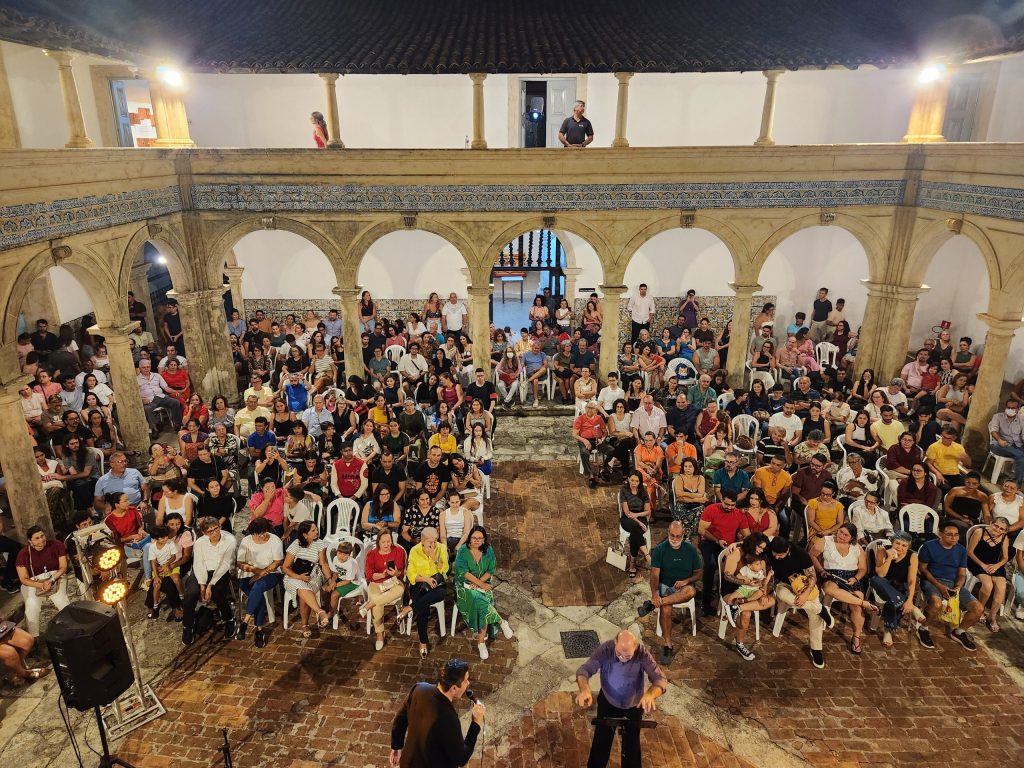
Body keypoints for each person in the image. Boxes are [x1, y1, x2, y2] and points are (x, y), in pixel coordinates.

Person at [575, 629, 667, 768]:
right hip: (608, 702)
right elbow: (584, 670)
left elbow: (660, 679)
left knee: (632, 744)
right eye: (618, 654)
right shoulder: (606, 649)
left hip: (633, 705)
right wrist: (584, 689)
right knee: (601, 741)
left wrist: (650, 694)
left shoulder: (642, 653)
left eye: (627, 656)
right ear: (615, 643)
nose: (622, 658)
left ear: (635, 648)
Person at [389, 659, 484, 768]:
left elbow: (400, 719)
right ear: (453, 688)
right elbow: (461, 758)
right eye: (466, 680)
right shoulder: (449, 719)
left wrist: (396, 747)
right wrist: (475, 723)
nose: (468, 683)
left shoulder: (419, 688)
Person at [637, 521, 702, 665]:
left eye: (678, 536)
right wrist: (654, 593)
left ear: (683, 535)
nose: (675, 539)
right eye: (672, 535)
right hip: (665, 586)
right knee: (666, 610)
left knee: (691, 590)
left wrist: (686, 580)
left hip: (683, 588)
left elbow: (698, 574)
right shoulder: (660, 549)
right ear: (668, 532)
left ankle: (652, 605)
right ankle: (668, 645)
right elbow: (654, 575)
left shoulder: (690, 550)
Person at [808, 522, 879, 654]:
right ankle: (864, 603)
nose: (841, 536)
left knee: (856, 607)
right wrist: (821, 569)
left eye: (845, 535)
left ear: (852, 538)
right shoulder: (826, 541)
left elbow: (863, 568)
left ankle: (856, 638)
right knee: (830, 590)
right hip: (831, 574)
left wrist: (856, 578)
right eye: (840, 532)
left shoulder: (857, 547)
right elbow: (812, 555)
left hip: (852, 577)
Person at [918, 520, 985, 651]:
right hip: (932, 581)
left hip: (953, 584)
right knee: (937, 604)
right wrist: (940, 586)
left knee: (978, 609)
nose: (954, 537)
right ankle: (923, 628)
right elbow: (923, 570)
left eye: (956, 535)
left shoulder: (961, 550)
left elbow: (961, 573)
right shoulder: (929, 546)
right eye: (949, 534)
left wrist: (957, 588)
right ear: (940, 534)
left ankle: (959, 632)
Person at [768, 536, 833, 668]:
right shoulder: (770, 550)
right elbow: (752, 543)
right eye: (774, 555)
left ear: (787, 550)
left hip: (804, 585)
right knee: (782, 595)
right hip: (784, 585)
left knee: (814, 617)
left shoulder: (800, 554)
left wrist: (806, 593)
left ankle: (816, 649)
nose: (776, 558)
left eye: (780, 555)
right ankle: (820, 609)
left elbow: (812, 576)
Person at [453, 525, 513, 660]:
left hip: (482, 583)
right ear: (469, 539)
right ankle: (501, 621)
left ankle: (481, 642)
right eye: (474, 538)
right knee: (479, 600)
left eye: (480, 538)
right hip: (463, 586)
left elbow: (491, 570)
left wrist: (479, 583)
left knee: (480, 604)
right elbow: (463, 572)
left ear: (484, 540)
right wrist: (480, 585)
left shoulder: (488, 550)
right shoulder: (463, 550)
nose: (476, 540)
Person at [181, 516, 238, 646]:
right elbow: (198, 563)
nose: (214, 533)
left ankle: (228, 618)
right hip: (201, 570)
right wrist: (202, 585)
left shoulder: (230, 541)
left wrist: (210, 585)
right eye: (210, 531)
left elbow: (225, 564)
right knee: (191, 594)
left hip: (220, 571)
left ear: (220, 527)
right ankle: (187, 626)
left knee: (217, 593)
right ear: (205, 533)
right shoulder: (200, 542)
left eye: (216, 528)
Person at [719, 533, 775, 660]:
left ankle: (737, 607)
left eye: (763, 548)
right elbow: (727, 576)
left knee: (771, 601)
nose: (761, 550)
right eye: (759, 547)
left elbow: (764, 580)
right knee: (747, 613)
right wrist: (745, 582)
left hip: (753, 591)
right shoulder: (737, 552)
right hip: (733, 589)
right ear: (752, 543)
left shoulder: (761, 559)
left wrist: (764, 593)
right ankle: (740, 644)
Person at [697, 489, 750, 615]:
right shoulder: (711, 509)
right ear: (721, 500)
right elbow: (701, 530)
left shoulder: (739, 514)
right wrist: (717, 540)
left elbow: (747, 535)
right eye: (727, 504)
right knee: (710, 565)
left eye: (733, 505)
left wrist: (738, 543)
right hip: (709, 541)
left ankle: (728, 597)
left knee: (732, 567)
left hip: (728, 545)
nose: (730, 507)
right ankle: (705, 602)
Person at [15, 526, 70, 637]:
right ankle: (33, 638)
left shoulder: (56, 545)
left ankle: (71, 629)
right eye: (36, 538)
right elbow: (23, 579)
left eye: (42, 536)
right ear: (30, 541)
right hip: (34, 582)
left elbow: (63, 566)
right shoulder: (23, 554)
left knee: (62, 601)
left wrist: (52, 580)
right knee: (31, 607)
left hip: (55, 576)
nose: (41, 540)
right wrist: (40, 584)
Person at [362, 529, 410, 651]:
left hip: (394, 581)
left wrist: (395, 572)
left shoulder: (398, 551)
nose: (386, 544)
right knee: (378, 604)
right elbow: (369, 575)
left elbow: (401, 572)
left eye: (388, 541)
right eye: (383, 542)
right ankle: (380, 634)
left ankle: (370, 604)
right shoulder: (372, 554)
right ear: (378, 542)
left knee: (400, 590)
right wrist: (382, 575)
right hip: (377, 582)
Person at [282, 520, 331, 638]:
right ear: (305, 534)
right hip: (293, 576)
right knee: (301, 587)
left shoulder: (320, 544)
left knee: (304, 590)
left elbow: (323, 564)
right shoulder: (296, 544)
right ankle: (320, 611)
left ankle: (305, 625)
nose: (317, 532)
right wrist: (299, 577)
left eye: (316, 529)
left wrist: (329, 578)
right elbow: (285, 567)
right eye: (313, 530)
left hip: (312, 576)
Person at [407, 526, 449, 658]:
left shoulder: (441, 548)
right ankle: (423, 642)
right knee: (423, 607)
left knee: (441, 593)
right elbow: (410, 573)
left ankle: (410, 607)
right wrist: (425, 579)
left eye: (435, 541)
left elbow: (445, 570)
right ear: (422, 541)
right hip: (420, 583)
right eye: (430, 542)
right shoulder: (415, 550)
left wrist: (434, 557)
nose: (433, 544)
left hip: (437, 584)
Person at [966, 517, 1011, 633]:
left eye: (1002, 529)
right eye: (996, 526)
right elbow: (969, 552)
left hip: (994, 565)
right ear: (991, 523)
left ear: (1005, 531)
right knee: (988, 585)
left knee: (1001, 587)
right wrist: (982, 565)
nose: (998, 529)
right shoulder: (979, 532)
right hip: (977, 562)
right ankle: (980, 609)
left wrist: (997, 566)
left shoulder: (1004, 538)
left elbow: (1005, 557)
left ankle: (993, 616)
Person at [988, 397, 1024, 486]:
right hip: (1001, 445)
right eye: (1008, 407)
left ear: (1018, 409)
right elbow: (993, 431)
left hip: (1017, 446)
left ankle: (1017, 483)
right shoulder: (998, 416)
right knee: (1020, 456)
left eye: (1013, 408)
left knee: (1020, 456)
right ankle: (1017, 485)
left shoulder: (1022, 419)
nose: (1010, 410)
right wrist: (999, 439)